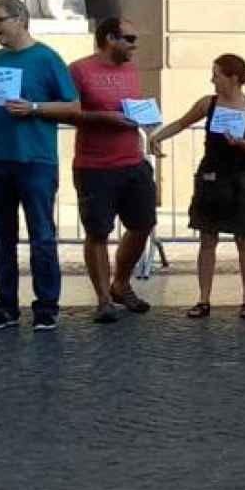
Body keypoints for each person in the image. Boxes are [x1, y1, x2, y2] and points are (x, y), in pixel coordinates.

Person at [0, 0, 80, 330]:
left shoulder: (46, 58)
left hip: (35, 161)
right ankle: (5, 306)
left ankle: (46, 306)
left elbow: (73, 107)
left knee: (42, 236)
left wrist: (33, 107)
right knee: (0, 237)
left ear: (20, 19)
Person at [149, 52, 245, 319]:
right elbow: (182, 122)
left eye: (216, 74)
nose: (212, 79)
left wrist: (241, 143)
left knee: (244, 240)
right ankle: (203, 298)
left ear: (233, 78)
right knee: (207, 239)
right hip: (212, 177)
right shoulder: (208, 104)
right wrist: (158, 137)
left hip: (242, 180)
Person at [68, 17, 155, 324]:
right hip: (94, 166)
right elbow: (70, 112)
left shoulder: (131, 70)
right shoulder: (79, 70)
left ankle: (121, 282)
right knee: (97, 232)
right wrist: (105, 118)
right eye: (129, 39)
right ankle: (104, 298)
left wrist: (146, 118)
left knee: (143, 225)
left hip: (132, 161)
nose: (135, 45)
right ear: (109, 39)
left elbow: (132, 107)